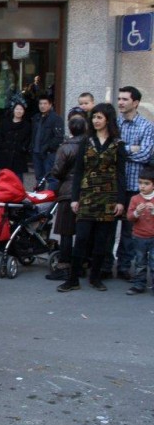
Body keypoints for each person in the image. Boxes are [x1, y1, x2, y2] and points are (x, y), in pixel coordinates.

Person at [57, 103, 126, 293]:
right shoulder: (85, 142)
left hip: (108, 197)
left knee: (101, 241)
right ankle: (73, 279)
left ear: (108, 120)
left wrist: (121, 201)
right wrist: (74, 198)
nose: (95, 121)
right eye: (94, 117)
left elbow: (121, 175)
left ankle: (95, 278)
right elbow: (78, 172)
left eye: (99, 117)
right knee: (81, 238)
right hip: (86, 196)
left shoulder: (118, 144)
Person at [102, 86, 154, 281]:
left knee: (129, 230)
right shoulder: (114, 124)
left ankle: (124, 267)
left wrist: (122, 151)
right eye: (119, 99)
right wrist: (130, 149)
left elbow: (145, 154)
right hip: (114, 184)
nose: (121, 102)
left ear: (136, 102)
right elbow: (109, 152)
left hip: (134, 184)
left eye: (125, 99)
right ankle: (106, 265)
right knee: (108, 227)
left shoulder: (147, 126)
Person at [46, 114, 88, 281]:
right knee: (83, 232)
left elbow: (57, 171)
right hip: (86, 191)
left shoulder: (66, 147)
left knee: (66, 232)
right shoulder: (89, 145)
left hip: (68, 191)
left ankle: (64, 266)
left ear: (70, 129)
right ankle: (82, 264)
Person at [125, 167, 154, 295]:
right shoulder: (135, 199)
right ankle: (139, 284)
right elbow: (129, 217)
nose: (142, 186)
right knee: (140, 262)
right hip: (139, 236)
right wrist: (137, 212)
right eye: (140, 183)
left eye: (146, 183)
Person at [30, 95, 64, 191]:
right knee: (39, 178)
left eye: (45, 103)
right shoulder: (36, 117)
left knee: (51, 178)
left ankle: (50, 202)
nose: (42, 106)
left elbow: (59, 137)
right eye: (40, 103)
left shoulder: (56, 118)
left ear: (50, 105)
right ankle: (40, 200)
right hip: (36, 152)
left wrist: (47, 147)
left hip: (49, 154)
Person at [0, 99, 31, 182]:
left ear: (24, 111)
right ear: (13, 110)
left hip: (19, 156)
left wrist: (23, 148)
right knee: (3, 180)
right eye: (17, 109)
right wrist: (2, 147)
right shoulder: (5, 122)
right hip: (5, 155)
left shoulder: (27, 125)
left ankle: (18, 195)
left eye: (21, 109)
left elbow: (28, 139)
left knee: (18, 181)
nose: (19, 111)